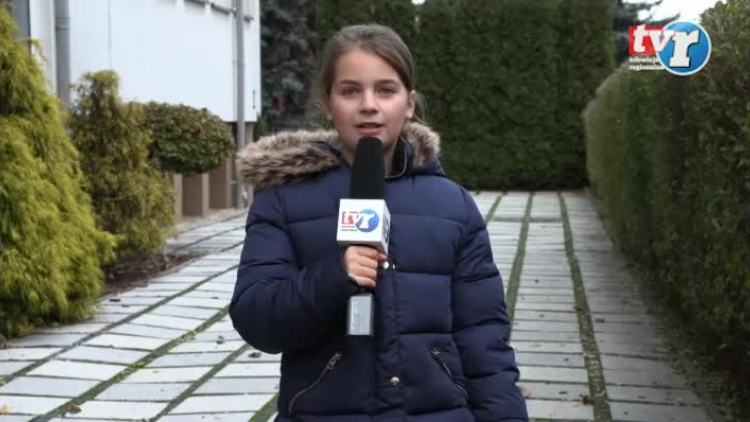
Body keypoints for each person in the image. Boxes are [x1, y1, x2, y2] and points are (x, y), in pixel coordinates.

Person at [230, 23, 528, 422]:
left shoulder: (452, 206)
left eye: (386, 90)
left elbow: (484, 340)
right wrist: (335, 276)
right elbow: (257, 319)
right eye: (350, 91)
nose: (368, 105)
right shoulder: (283, 201)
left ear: (409, 103)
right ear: (327, 103)